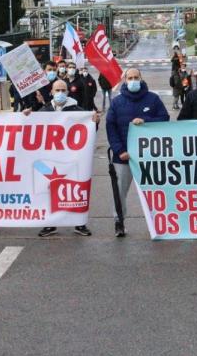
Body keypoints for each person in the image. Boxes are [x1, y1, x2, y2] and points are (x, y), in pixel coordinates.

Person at [30, 79, 101, 238]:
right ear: (51, 92)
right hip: (49, 159)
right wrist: (27, 117)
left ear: (68, 93)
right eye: (57, 90)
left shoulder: (77, 110)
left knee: (74, 191)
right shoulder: (44, 111)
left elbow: (88, 129)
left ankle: (79, 223)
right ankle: (50, 224)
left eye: (63, 90)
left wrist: (95, 122)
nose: (60, 93)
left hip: (71, 160)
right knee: (47, 191)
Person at [106, 68, 170, 236]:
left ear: (141, 79)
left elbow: (165, 119)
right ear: (125, 80)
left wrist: (146, 120)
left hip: (149, 156)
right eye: (130, 78)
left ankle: (159, 222)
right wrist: (119, 150)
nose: (133, 80)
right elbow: (110, 127)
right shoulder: (117, 102)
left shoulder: (153, 99)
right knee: (119, 191)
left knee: (155, 191)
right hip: (123, 157)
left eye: (136, 77)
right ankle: (119, 222)